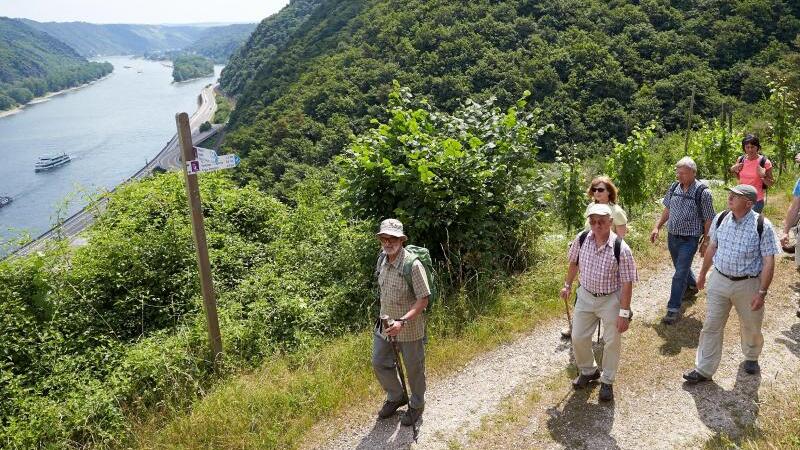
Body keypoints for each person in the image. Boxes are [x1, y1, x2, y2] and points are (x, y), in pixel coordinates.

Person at [683, 185, 779, 383]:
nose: (731, 197)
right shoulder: (721, 218)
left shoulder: (763, 225)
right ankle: (704, 369)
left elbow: (769, 261)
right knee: (711, 325)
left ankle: (751, 356)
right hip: (719, 280)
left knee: (751, 324)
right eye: (731, 194)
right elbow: (712, 247)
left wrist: (762, 292)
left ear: (749, 203)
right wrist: (702, 274)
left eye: (736, 196)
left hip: (748, 283)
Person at [560, 203, 638, 402]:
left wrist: (624, 313)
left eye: (601, 221)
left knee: (611, 342)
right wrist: (567, 285)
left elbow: (627, 284)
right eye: (593, 221)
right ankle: (589, 370)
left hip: (610, 299)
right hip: (585, 296)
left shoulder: (622, 249)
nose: (597, 225)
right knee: (577, 337)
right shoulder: (582, 238)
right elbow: (573, 263)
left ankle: (608, 381)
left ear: (611, 222)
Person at [372, 218, 430, 426]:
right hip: (384, 324)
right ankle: (397, 397)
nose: (388, 243)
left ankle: (416, 404)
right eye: (384, 238)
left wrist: (402, 322)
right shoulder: (382, 259)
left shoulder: (412, 265)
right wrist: (389, 321)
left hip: (408, 327)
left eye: (393, 238)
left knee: (414, 368)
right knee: (379, 362)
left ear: (401, 240)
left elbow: (423, 299)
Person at [651, 156, 716, 325]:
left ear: (693, 173)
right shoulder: (674, 187)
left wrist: (706, 241)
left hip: (690, 238)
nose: (679, 176)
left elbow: (709, 218)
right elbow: (667, 209)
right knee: (681, 267)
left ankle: (673, 309)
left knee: (679, 273)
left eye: (683, 173)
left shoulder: (703, 192)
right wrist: (657, 226)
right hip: (672, 236)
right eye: (678, 173)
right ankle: (692, 286)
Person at [730, 134, 773, 213]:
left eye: (752, 147)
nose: (750, 149)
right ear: (744, 148)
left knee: (751, 224)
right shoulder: (741, 159)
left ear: (758, 147)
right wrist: (733, 170)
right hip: (740, 199)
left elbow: (770, 183)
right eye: (747, 147)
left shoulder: (764, 162)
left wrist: (763, 176)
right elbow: (739, 178)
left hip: (756, 201)